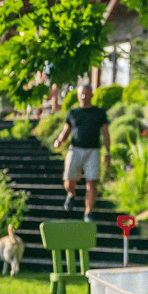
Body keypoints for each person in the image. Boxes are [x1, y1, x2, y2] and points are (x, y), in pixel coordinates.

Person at [51, 82, 111, 223]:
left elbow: (106, 134)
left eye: (86, 93)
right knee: (69, 180)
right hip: (75, 149)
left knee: (92, 182)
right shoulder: (73, 113)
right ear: (78, 96)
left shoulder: (99, 113)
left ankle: (88, 212)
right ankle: (71, 194)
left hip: (93, 151)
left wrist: (108, 153)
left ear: (91, 95)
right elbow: (66, 131)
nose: (84, 96)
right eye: (81, 94)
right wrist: (59, 140)